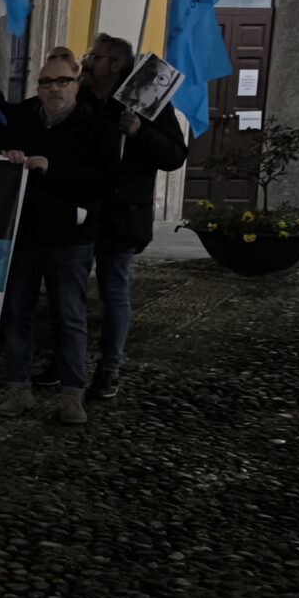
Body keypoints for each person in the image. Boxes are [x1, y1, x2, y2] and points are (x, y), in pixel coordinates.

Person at [0, 47, 121, 425]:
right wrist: (8, 155)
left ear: (76, 83)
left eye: (63, 81)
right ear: (38, 86)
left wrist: (53, 168)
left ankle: (72, 394)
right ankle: (18, 388)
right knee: (17, 312)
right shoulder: (21, 118)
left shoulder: (96, 125)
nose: (54, 88)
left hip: (70, 235)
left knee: (69, 316)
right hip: (24, 232)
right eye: (47, 81)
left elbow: (106, 179)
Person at [79, 32, 189, 399]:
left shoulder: (144, 101)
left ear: (114, 64)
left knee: (114, 291)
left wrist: (140, 132)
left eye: (94, 56)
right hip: (80, 210)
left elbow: (175, 155)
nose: (86, 61)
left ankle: (109, 367)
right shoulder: (82, 97)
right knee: (70, 291)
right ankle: (67, 360)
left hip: (122, 214)